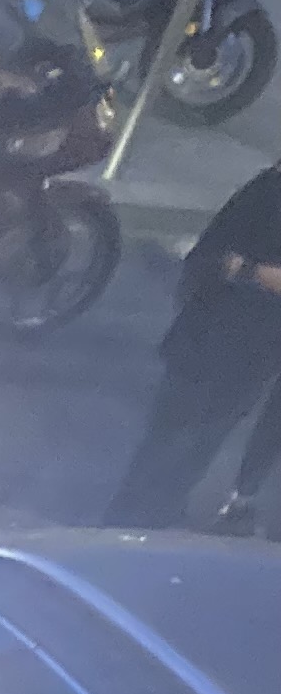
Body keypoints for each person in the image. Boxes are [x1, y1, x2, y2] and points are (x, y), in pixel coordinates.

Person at [107, 159, 281, 529]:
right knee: (185, 436)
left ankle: (141, 515)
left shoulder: (266, 185)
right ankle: (143, 517)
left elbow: (214, 254)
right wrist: (255, 274)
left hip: (227, 335)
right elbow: (220, 256)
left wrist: (242, 271)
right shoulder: (268, 191)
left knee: (181, 437)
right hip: (230, 336)